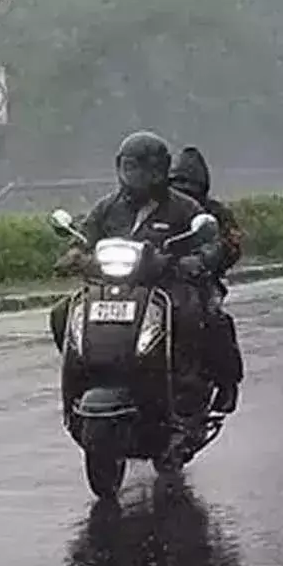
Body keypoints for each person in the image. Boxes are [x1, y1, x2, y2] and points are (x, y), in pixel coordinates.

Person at [48, 131, 216, 410]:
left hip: (163, 285)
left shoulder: (183, 207)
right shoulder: (107, 207)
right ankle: (82, 372)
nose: (138, 176)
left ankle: (187, 381)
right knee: (62, 313)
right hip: (111, 287)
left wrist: (194, 260)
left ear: (162, 170)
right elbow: (85, 238)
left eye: (147, 170)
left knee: (191, 313)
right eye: (131, 168)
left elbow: (208, 244)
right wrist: (74, 255)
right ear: (119, 167)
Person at [168, 146, 245, 414]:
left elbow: (231, 245)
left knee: (214, 320)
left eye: (189, 184)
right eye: (177, 183)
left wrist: (208, 260)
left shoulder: (215, 212)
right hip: (154, 279)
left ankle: (227, 384)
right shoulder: (158, 208)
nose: (183, 189)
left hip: (200, 282)